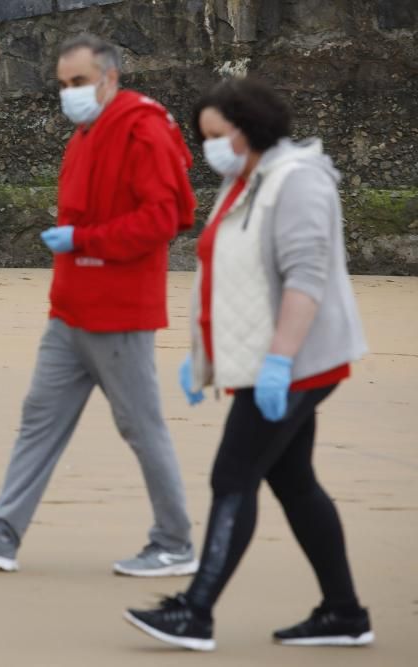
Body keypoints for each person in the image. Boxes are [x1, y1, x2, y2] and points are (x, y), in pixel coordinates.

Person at [0, 34, 197, 576]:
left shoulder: (144, 127)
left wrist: (86, 241)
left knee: (141, 427)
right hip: (71, 307)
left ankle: (174, 542)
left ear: (110, 78)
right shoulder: (87, 130)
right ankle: (2, 531)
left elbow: (165, 218)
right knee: (39, 419)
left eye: (78, 83)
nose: (69, 93)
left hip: (119, 310)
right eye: (63, 84)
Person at [124, 78, 372, 651]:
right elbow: (228, 276)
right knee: (295, 483)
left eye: (218, 135)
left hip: (294, 363)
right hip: (264, 361)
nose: (209, 147)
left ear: (252, 126)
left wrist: (279, 364)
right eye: (203, 137)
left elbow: (305, 281)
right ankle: (344, 614)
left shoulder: (298, 180)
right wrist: (203, 359)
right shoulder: (245, 181)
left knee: (232, 478)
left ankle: (195, 612)